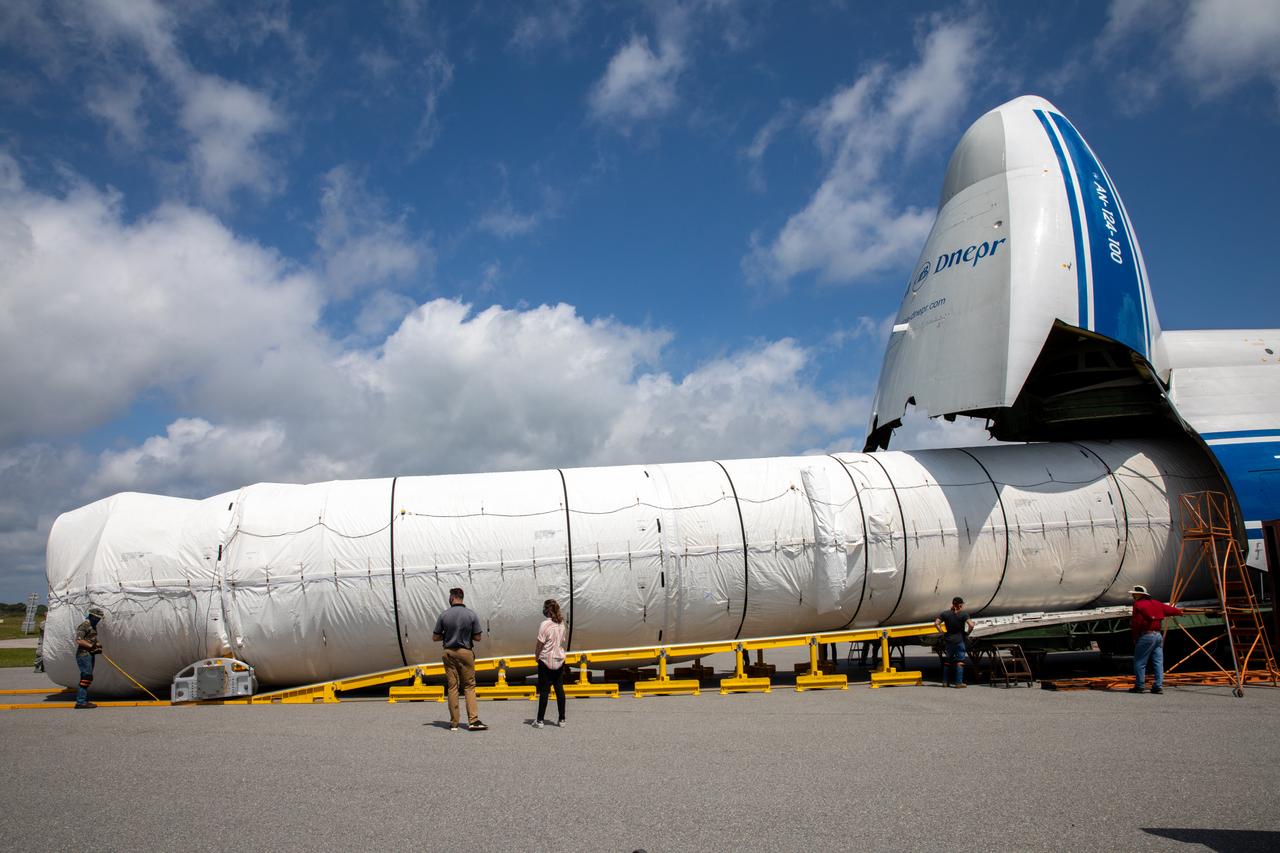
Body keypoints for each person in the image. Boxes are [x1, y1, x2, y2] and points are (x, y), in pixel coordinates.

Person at [432, 587, 488, 731]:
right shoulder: (471, 614)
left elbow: (435, 637)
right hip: (465, 652)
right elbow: (478, 637)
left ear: (452, 598)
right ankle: (473, 721)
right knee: (469, 686)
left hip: (449, 652)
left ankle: (454, 723)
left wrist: (447, 635)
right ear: (462, 598)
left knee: (452, 687)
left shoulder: (444, 615)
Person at [1128, 584, 1183, 694]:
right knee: (1158, 662)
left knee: (1140, 662)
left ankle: (1139, 686)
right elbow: (1169, 610)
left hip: (1146, 636)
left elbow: (1136, 622)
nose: (1133, 595)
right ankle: (1158, 686)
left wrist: (1135, 637)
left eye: (1134, 594)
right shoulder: (1156, 603)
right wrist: (1179, 612)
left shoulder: (1138, 605)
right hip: (1158, 635)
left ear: (1139, 595)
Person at [533, 599, 568, 729]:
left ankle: (540, 720)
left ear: (547, 610)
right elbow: (561, 640)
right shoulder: (561, 624)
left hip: (546, 660)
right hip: (559, 659)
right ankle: (562, 718)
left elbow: (540, 644)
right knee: (559, 690)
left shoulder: (544, 624)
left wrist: (536, 656)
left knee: (544, 691)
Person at [934, 597, 974, 688]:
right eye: (962, 604)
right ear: (960, 605)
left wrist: (942, 633)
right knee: (960, 661)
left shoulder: (945, 614)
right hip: (959, 640)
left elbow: (936, 623)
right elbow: (971, 625)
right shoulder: (964, 614)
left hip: (949, 640)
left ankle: (945, 682)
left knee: (948, 661)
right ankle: (958, 683)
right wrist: (967, 633)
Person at [73, 606, 105, 709]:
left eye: (99, 618)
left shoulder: (93, 626)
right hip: (83, 655)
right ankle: (80, 702)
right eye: (97, 618)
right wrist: (92, 646)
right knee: (86, 677)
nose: (98, 620)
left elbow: (92, 639)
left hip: (90, 654)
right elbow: (79, 640)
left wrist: (98, 645)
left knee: (88, 677)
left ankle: (84, 699)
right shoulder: (84, 625)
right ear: (91, 616)